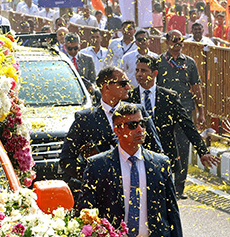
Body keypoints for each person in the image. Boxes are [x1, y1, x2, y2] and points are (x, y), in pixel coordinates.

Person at [77, 102, 185, 237]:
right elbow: (85, 212)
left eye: (142, 124)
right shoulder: (98, 165)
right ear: (117, 130)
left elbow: (172, 213)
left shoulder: (160, 164)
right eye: (133, 125)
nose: (140, 129)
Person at [59, 66, 162, 192]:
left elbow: (157, 151)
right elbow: (66, 159)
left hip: (138, 187)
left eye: (128, 83)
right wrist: (94, 176)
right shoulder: (85, 118)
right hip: (104, 193)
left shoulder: (138, 112)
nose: (128, 87)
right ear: (106, 86)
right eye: (123, 83)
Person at [131, 55, 220, 182]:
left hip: (164, 157)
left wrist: (202, 151)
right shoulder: (129, 98)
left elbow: (187, 125)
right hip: (136, 156)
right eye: (137, 70)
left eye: (144, 71)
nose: (139, 74)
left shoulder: (169, 97)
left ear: (155, 73)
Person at [157, 29, 205, 198]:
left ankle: (179, 187)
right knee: (164, 147)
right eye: (175, 40)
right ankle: (165, 184)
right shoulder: (159, 62)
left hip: (184, 110)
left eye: (181, 40)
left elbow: (196, 87)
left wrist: (201, 112)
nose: (178, 43)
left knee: (183, 148)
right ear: (167, 42)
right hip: (164, 111)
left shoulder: (189, 62)